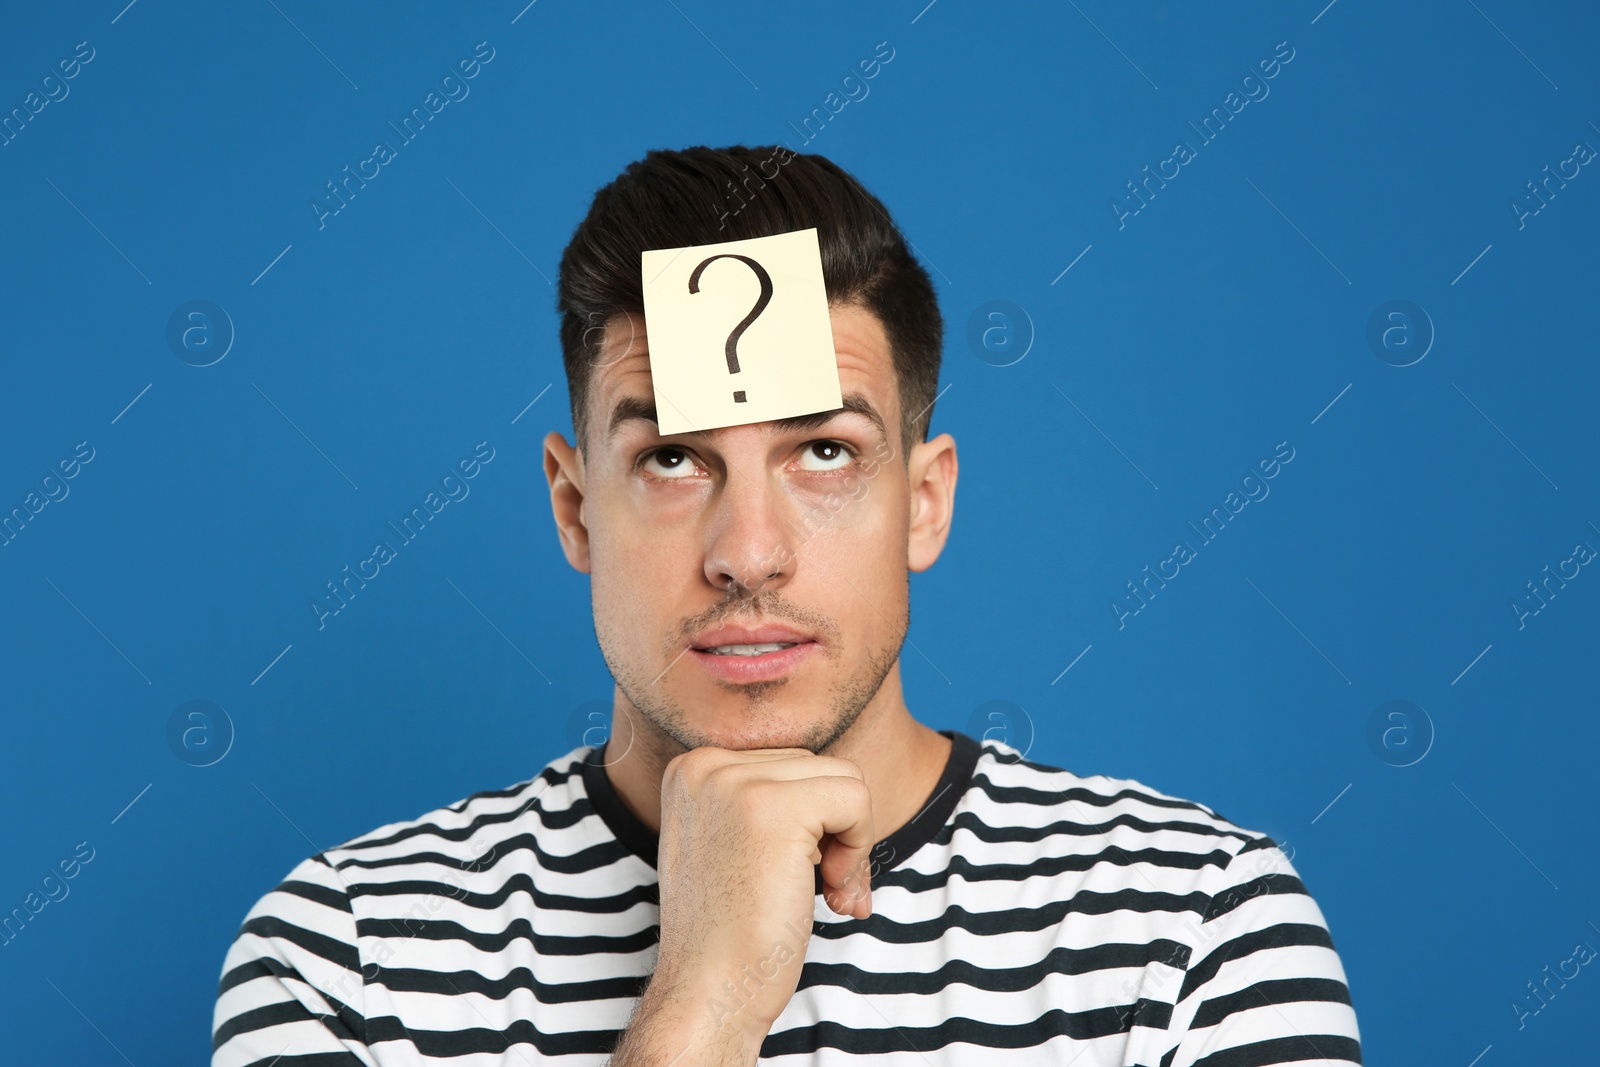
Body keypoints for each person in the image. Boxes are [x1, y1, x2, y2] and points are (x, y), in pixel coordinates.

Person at [212, 145, 1362, 1066]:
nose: (747, 553)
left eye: (823, 450)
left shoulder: (1193, 930)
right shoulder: (345, 955)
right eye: (672, 459)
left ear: (922, 500)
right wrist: (700, 1010)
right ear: (573, 507)